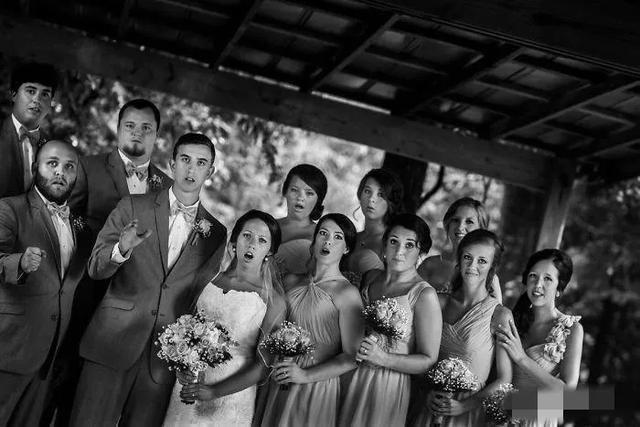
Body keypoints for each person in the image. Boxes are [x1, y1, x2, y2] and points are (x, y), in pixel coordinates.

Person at [69, 133, 227, 427]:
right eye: (185, 160)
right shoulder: (132, 205)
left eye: (201, 163)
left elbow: (198, 299)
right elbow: (95, 268)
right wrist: (121, 249)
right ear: (172, 163)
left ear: (210, 171)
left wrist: (193, 355)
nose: (191, 169)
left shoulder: (216, 233)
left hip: (163, 359)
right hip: (112, 341)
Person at [53, 99, 173, 424]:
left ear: (156, 135)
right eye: (130, 126)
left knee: (93, 402)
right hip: (83, 292)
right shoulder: (87, 167)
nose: (137, 133)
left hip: (127, 309)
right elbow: (67, 219)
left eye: (146, 128)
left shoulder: (167, 187)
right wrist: (100, 239)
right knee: (60, 383)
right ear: (118, 129)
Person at [163, 210, 287, 426]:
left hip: (231, 395)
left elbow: (263, 365)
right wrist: (183, 368)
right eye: (247, 236)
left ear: (270, 250)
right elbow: (186, 333)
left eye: (262, 240)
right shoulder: (209, 279)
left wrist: (214, 391)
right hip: (190, 386)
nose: (252, 245)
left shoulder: (273, 301)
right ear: (235, 240)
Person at [0, 140, 89, 426]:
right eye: (52, 163)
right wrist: (19, 263)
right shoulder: (9, 209)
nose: (60, 172)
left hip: (48, 362)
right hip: (7, 350)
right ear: (35, 167)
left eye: (69, 166)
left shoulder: (81, 227)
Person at [259, 213, 364, 427]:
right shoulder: (290, 281)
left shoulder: (347, 293)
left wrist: (304, 375)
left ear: (346, 248)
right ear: (314, 239)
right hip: (279, 373)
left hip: (315, 384)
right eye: (323, 233)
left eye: (337, 237)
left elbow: (352, 357)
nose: (328, 241)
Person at [339, 214, 442, 427]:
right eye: (394, 241)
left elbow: (428, 360)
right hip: (348, 371)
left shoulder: (424, 295)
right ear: (384, 244)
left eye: (409, 245)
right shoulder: (370, 278)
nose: (399, 250)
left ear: (421, 252)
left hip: (386, 384)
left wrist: (383, 358)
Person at [413, 229, 512, 426]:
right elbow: (417, 354)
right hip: (430, 404)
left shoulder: (500, 315)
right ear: (459, 259)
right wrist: (427, 391)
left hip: (467, 413)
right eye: (467, 257)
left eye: (482, 261)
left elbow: (504, 378)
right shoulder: (438, 303)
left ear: (492, 266)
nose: (472, 266)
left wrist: (464, 406)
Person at [496, 249, 583, 427]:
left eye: (548, 279)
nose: (538, 284)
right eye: (533, 276)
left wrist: (522, 358)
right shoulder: (511, 320)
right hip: (500, 416)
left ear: (559, 288)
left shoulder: (571, 329)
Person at [418, 197, 502, 301]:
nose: (460, 226)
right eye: (456, 220)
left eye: (469, 221)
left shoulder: (488, 277)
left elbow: (496, 309)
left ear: (481, 229)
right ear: (448, 224)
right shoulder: (430, 264)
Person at [0, 62, 57, 198]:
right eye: (31, 91)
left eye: (45, 94)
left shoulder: (52, 146)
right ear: (14, 94)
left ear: (50, 103)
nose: (37, 99)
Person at [345, 168, 404, 274]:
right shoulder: (352, 238)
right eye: (367, 191)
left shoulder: (393, 244)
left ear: (391, 201)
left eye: (380, 194)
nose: (371, 199)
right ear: (360, 194)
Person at [274, 164, 328, 276]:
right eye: (294, 190)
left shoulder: (322, 235)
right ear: (285, 191)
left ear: (318, 200)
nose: (300, 198)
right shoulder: (266, 226)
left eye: (309, 193)